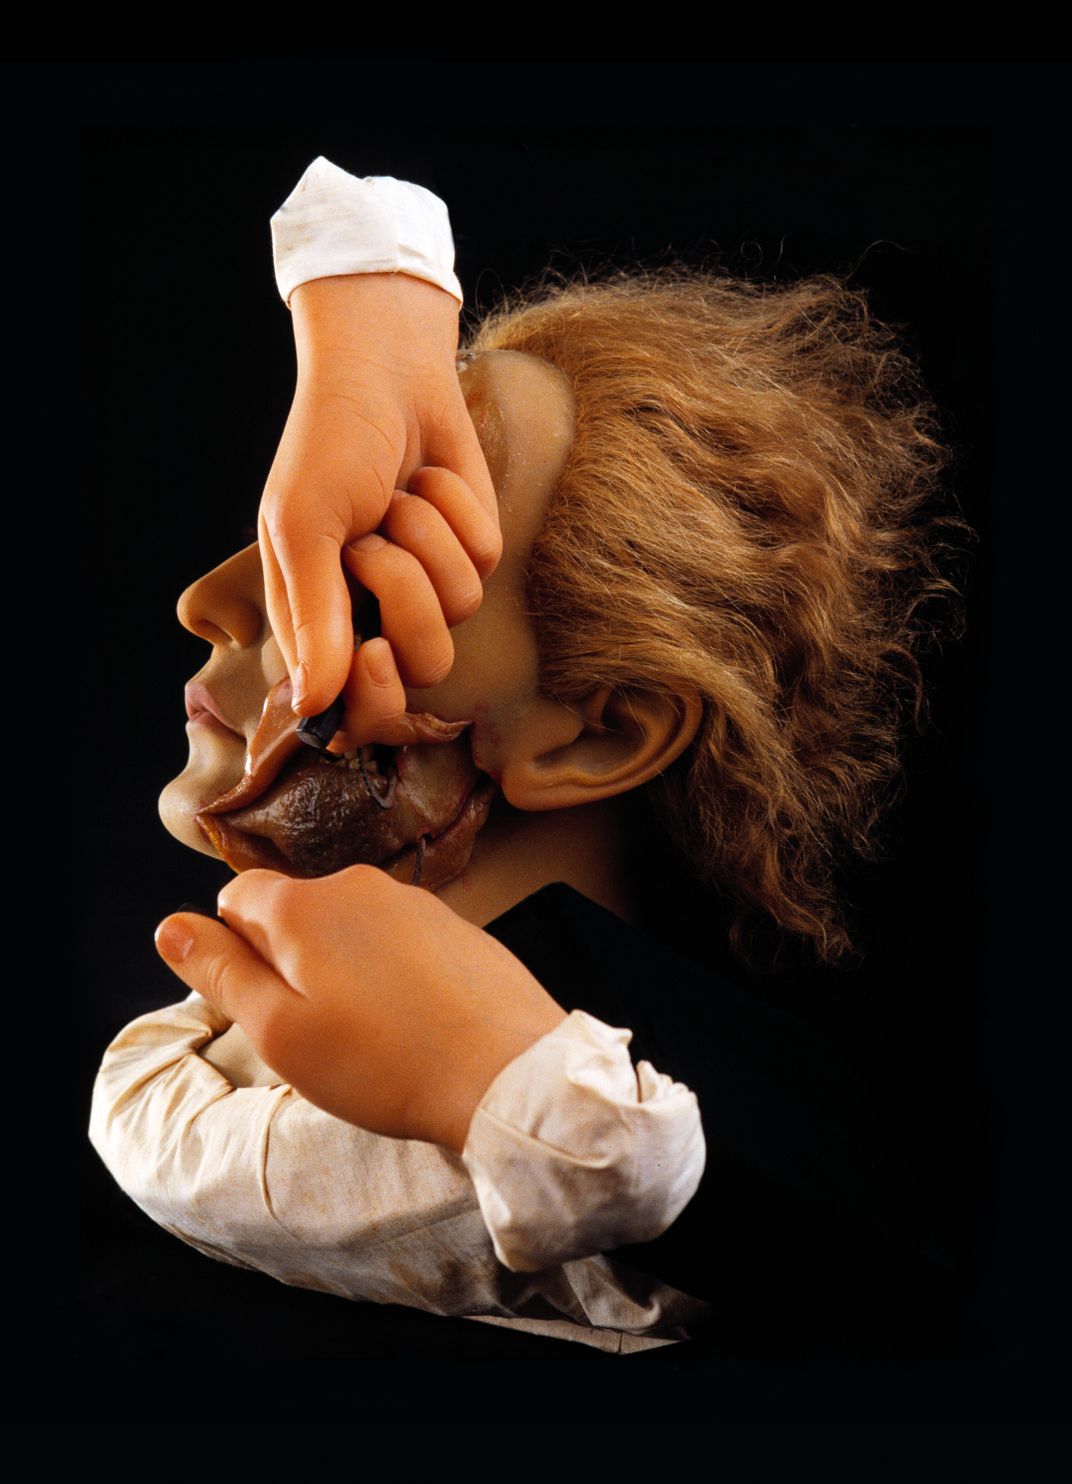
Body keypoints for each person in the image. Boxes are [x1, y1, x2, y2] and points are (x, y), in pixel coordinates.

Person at [90, 160, 961, 1352]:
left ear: (594, 732)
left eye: (370, 561)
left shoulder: (722, 1151)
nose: (211, 600)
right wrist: (368, 297)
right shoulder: (195, 1060)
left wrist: (531, 1098)